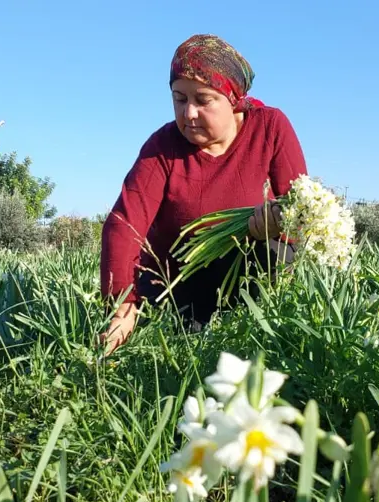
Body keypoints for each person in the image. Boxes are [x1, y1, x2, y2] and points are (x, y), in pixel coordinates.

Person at [99, 34, 308, 354]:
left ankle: (267, 320)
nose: (189, 113)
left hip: (243, 271)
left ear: (233, 98)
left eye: (203, 99)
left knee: (279, 252)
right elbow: (124, 223)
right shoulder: (162, 147)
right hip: (176, 275)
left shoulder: (269, 127)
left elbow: (301, 208)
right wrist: (121, 305)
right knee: (179, 327)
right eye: (180, 99)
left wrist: (277, 221)